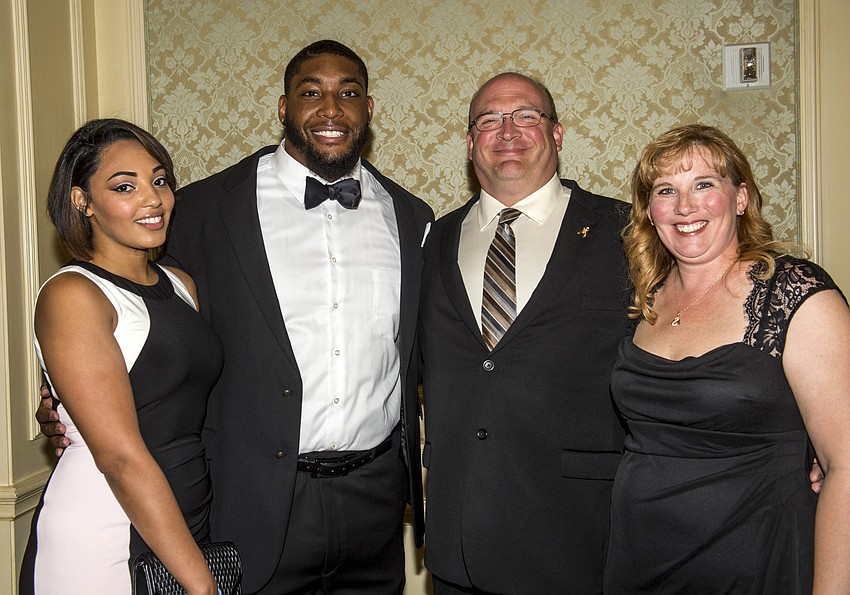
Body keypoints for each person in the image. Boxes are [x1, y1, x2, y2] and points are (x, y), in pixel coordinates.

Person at [39, 40, 433, 594]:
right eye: (310, 93)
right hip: (250, 496)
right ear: (282, 107)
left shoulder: (413, 217)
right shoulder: (201, 209)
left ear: (369, 109)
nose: (330, 108)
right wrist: (62, 396)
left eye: (348, 93)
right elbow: (135, 315)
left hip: (375, 499)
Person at [604, 124, 850, 593]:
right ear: (649, 213)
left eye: (703, 185)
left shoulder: (796, 294)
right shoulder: (644, 299)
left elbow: (846, 467)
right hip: (640, 559)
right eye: (665, 190)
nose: (685, 206)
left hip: (757, 561)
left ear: (740, 197)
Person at [418, 72, 632, 594]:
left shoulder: (628, 233)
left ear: (557, 135)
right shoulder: (431, 239)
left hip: (578, 539)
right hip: (458, 542)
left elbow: (696, 340)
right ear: (471, 144)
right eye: (489, 120)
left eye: (526, 116)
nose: (507, 130)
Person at [20, 119, 223, 594]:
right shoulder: (73, 294)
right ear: (81, 201)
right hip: (106, 526)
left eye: (159, 180)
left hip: (182, 516)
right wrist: (201, 584)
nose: (152, 198)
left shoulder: (180, 286)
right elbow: (119, 457)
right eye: (124, 186)